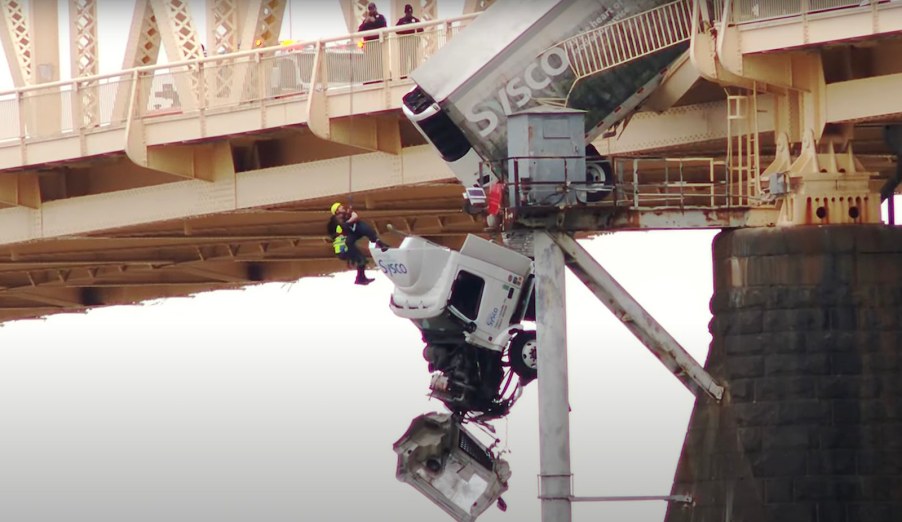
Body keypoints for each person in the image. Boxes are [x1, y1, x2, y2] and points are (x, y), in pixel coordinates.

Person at [329, 202, 389, 285]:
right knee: (361, 260)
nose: (342, 206)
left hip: (347, 244)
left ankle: (378, 242)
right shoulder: (337, 221)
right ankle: (360, 279)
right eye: (340, 207)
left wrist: (350, 214)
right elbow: (345, 226)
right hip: (343, 249)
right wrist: (350, 218)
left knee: (361, 226)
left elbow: (355, 217)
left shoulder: (344, 216)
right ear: (337, 212)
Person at [358, 2, 387, 83]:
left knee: (378, 62)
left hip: (378, 44)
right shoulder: (366, 21)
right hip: (369, 45)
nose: (371, 10)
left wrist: (374, 21)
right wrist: (365, 23)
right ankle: (371, 79)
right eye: (370, 9)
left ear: (375, 8)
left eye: (372, 8)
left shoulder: (380, 18)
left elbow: (384, 26)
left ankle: (379, 78)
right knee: (369, 63)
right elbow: (359, 30)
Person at [395, 4, 422, 78]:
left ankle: (414, 75)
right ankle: (403, 76)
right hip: (404, 43)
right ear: (405, 12)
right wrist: (405, 30)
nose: (409, 14)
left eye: (410, 12)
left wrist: (414, 27)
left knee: (413, 59)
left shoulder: (415, 20)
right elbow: (396, 31)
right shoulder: (401, 21)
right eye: (408, 12)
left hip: (412, 43)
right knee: (404, 60)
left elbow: (421, 29)